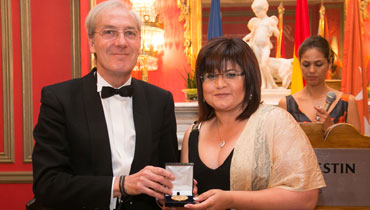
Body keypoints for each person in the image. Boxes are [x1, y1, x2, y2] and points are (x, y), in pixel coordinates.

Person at [32, 1, 178, 209]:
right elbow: (48, 184)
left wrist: (173, 194)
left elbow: (166, 172)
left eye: (130, 33)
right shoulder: (59, 99)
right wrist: (121, 185)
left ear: (139, 42)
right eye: (109, 32)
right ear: (92, 43)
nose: (121, 42)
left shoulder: (161, 100)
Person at [180, 37, 326, 210]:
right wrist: (174, 201)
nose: (219, 84)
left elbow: (306, 198)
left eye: (231, 74)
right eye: (211, 76)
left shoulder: (276, 122)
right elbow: (183, 196)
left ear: (249, 79)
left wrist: (231, 199)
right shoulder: (193, 133)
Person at [278, 35, 361, 132]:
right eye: (306, 65)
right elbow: (280, 144)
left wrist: (330, 130)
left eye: (318, 64)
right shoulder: (287, 104)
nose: (312, 70)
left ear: (329, 64)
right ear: (299, 64)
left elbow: (357, 145)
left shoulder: (346, 102)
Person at [243, 0, 280, 89]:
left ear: (265, 9)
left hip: (265, 46)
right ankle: (263, 84)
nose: (256, 14)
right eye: (255, 12)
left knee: (264, 64)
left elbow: (278, 34)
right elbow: (252, 33)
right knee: (259, 66)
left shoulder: (270, 21)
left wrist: (272, 29)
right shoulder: (256, 22)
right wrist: (244, 39)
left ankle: (272, 84)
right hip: (256, 45)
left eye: (258, 11)